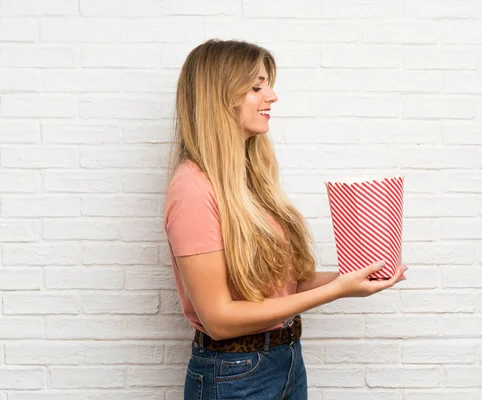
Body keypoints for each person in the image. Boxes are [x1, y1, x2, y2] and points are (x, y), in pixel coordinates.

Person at [164, 39, 408, 400]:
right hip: (235, 375)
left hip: (286, 360)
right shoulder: (193, 189)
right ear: (220, 97)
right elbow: (218, 319)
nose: (272, 96)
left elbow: (282, 284)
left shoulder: (250, 179)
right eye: (257, 86)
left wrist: (353, 277)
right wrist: (335, 291)